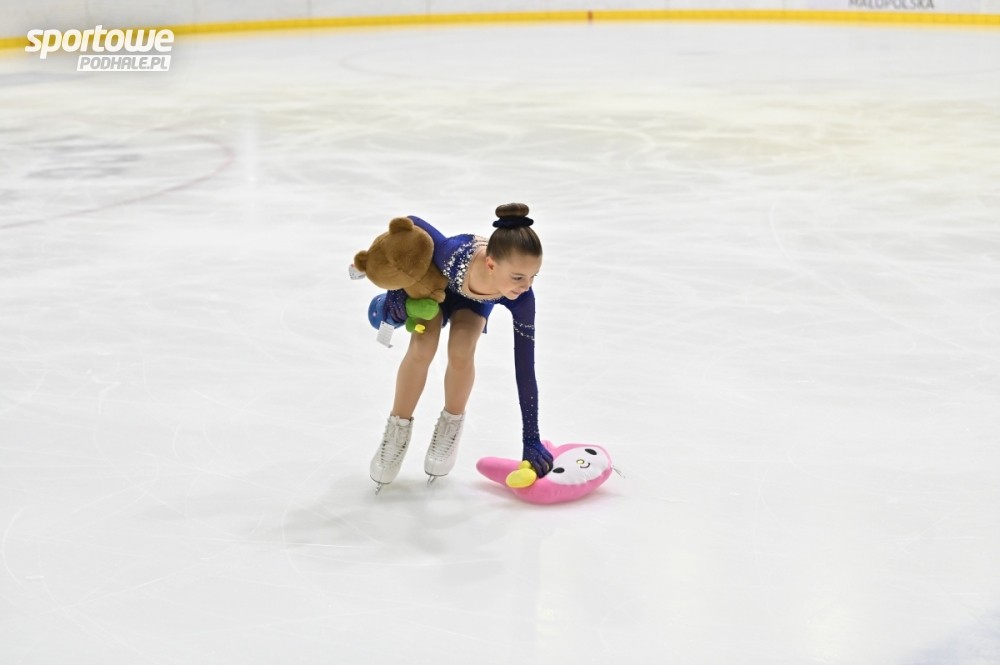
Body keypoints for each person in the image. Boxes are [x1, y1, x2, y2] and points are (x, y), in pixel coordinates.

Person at [365, 203, 554, 493]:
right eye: (518, 277)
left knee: (462, 350)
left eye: (533, 277)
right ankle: (396, 431)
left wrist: (532, 438)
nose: (526, 286)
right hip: (436, 287)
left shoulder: (522, 299)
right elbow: (410, 225)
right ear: (491, 264)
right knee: (423, 346)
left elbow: (525, 371)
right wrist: (397, 291)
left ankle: (449, 427)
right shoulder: (452, 253)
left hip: (474, 303)